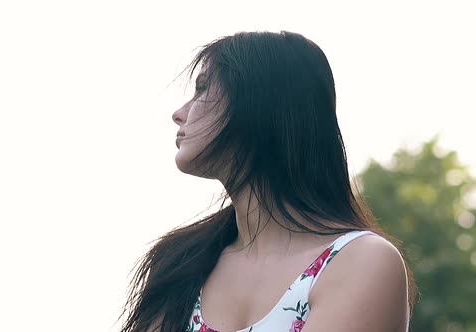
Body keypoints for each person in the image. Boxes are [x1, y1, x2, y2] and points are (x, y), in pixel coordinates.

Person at [119, 31, 417, 332]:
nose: (179, 114)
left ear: (257, 103)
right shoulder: (178, 264)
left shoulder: (360, 262)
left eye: (202, 88)